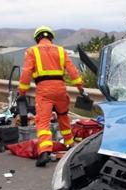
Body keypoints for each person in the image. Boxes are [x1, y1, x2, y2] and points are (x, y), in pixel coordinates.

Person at [18, 25, 85, 167]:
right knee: (63, 116)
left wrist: (22, 92)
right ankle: (70, 144)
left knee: (43, 122)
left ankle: (44, 153)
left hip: (44, 91)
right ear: (51, 37)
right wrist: (80, 89)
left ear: (37, 38)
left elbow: (26, 74)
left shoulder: (32, 51)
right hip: (60, 89)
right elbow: (73, 71)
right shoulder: (61, 51)